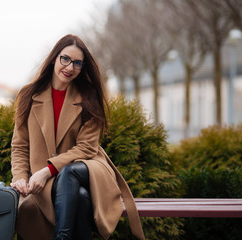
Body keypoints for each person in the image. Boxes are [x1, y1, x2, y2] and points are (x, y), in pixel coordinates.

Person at [10, 34, 145, 240]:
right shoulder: (29, 95)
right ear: (54, 58)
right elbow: (20, 146)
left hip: (86, 168)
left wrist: (47, 170)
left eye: (77, 63)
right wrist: (20, 177)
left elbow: (87, 148)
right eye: (65, 59)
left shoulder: (88, 97)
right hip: (48, 186)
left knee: (70, 173)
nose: (70, 67)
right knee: (81, 199)